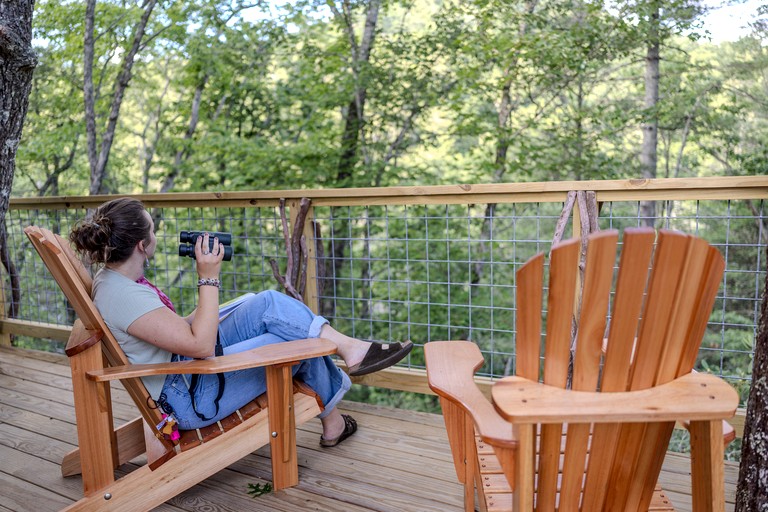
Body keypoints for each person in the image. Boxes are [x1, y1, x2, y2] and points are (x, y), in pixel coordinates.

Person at [69, 197, 412, 447]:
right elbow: (201, 345)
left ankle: (349, 350)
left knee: (266, 302)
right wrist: (208, 277)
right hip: (189, 396)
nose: (157, 236)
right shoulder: (126, 296)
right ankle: (336, 412)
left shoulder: (115, 282)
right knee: (293, 339)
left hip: (184, 371)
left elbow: (172, 330)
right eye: (154, 230)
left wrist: (224, 306)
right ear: (143, 245)